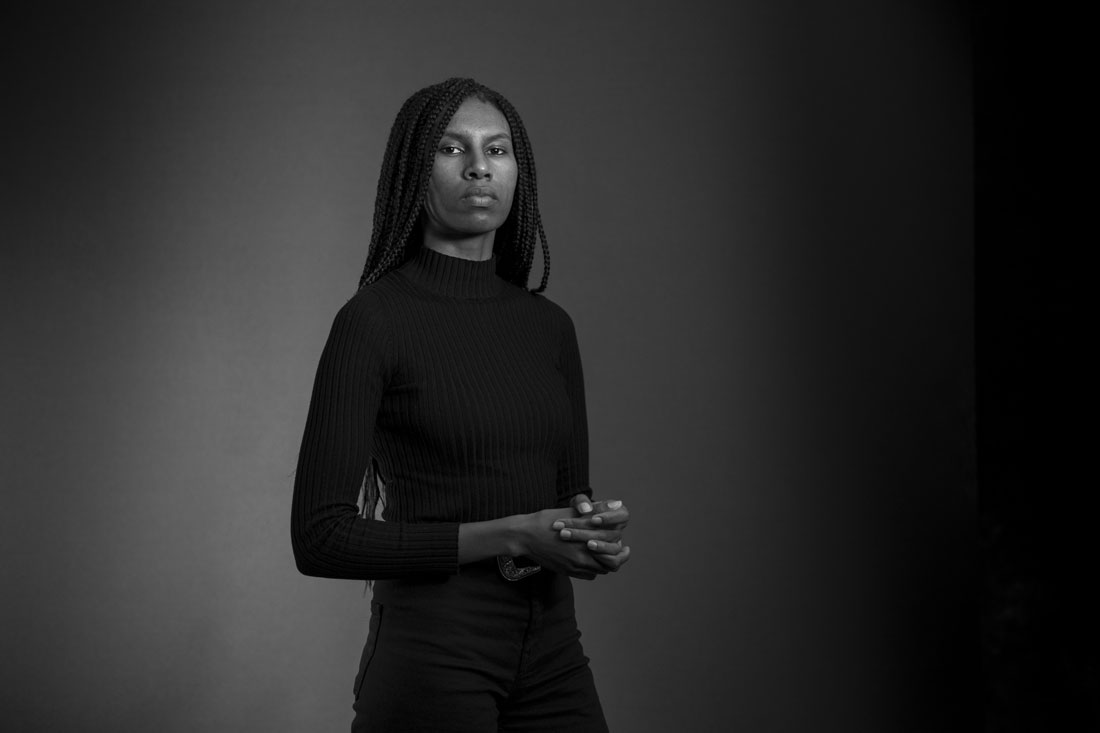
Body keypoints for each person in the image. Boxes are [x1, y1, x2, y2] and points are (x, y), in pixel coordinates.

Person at [290, 77, 631, 732]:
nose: (479, 167)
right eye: (452, 149)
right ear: (413, 172)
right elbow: (320, 538)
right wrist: (513, 532)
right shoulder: (374, 320)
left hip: (552, 647)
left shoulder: (548, 327)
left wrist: (588, 533)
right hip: (432, 653)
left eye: (497, 149)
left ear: (518, 171)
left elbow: (567, 495)